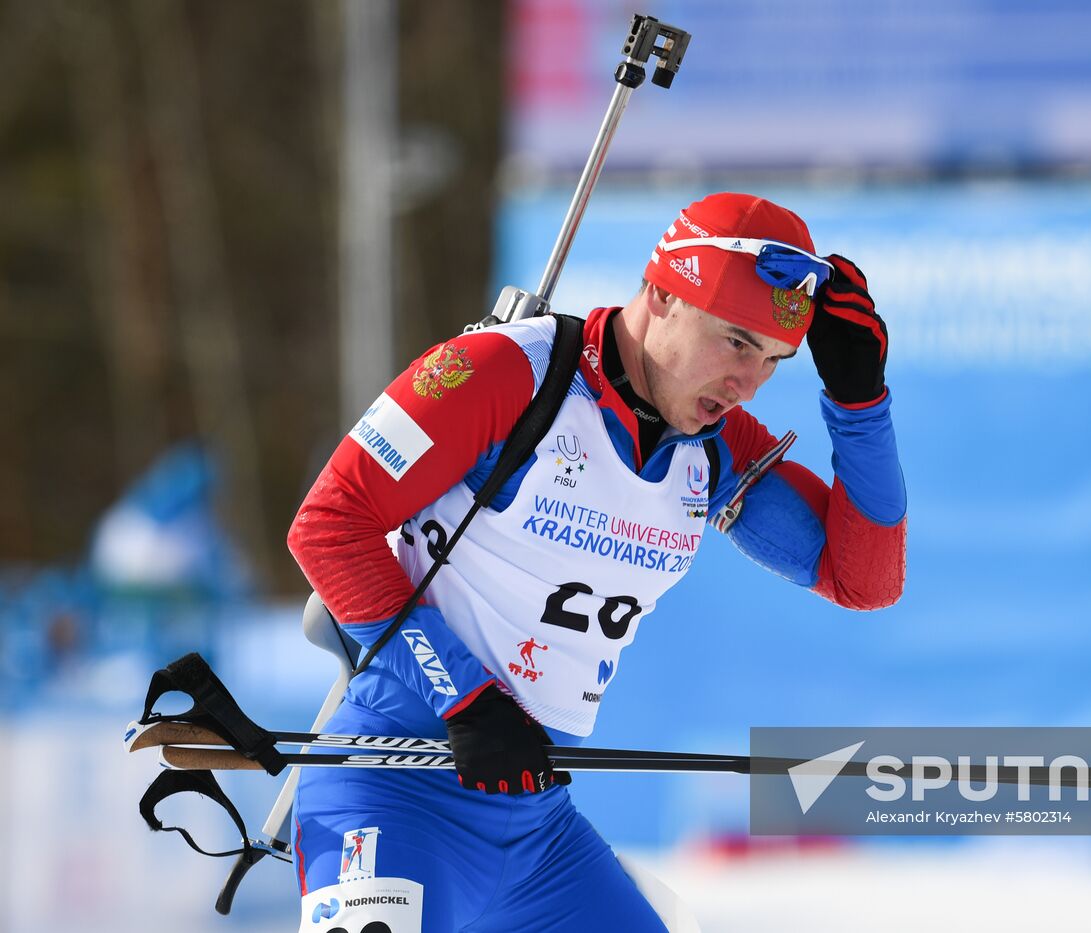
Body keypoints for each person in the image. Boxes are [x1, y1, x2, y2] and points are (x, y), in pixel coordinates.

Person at [286, 192, 907, 932]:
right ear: (662, 294)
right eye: (737, 341)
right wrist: (466, 697)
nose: (747, 382)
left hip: (535, 831)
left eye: (772, 361)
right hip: (399, 789)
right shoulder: (509, 372)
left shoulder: (713, 444)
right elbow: (328, 526)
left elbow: (865, 578)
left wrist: (859, 401)